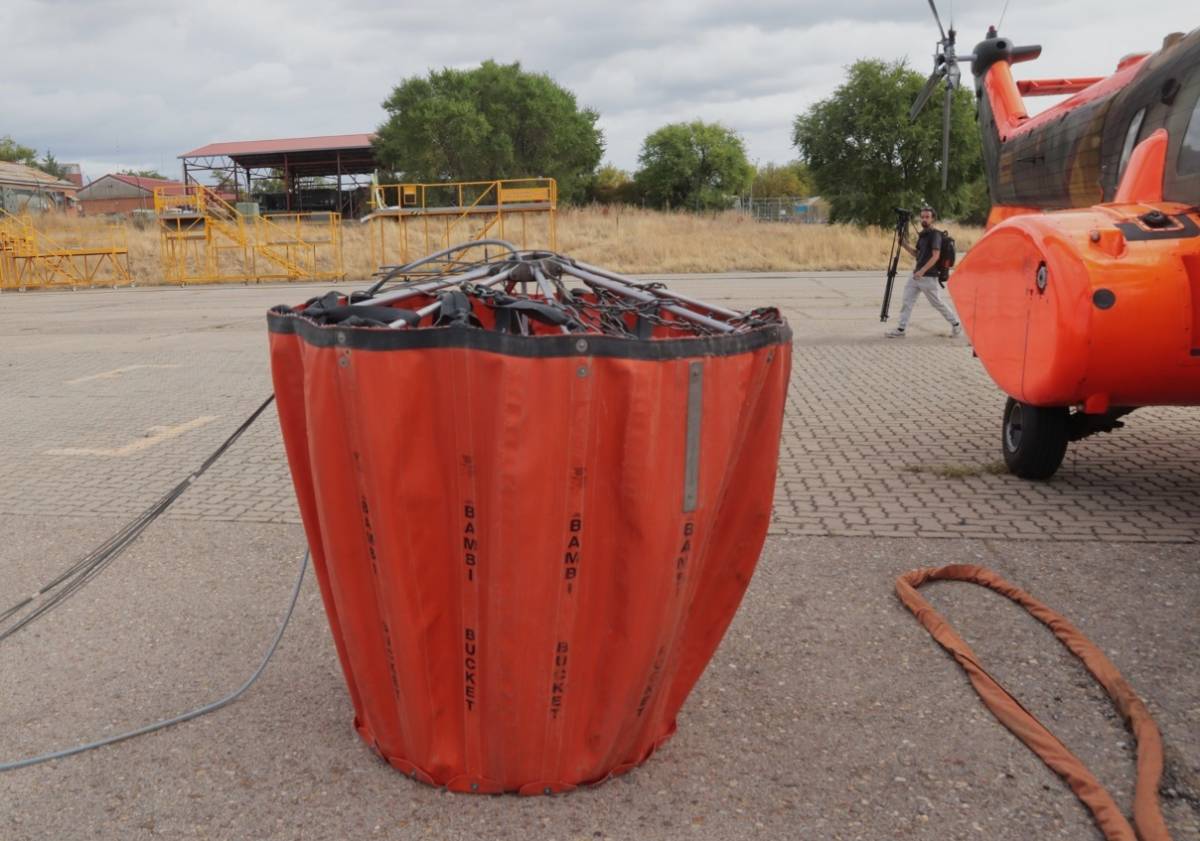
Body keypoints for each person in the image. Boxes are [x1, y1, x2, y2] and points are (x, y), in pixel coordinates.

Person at [885, 206, 961, 338]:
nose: (924, 219)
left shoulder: (935, 235)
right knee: (907, 301)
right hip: (916, 275)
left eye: (927, 217)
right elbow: (918, 254)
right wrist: (905, 245)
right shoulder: (923, 235)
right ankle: (901, 329)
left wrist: (922, 271)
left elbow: (935, 256)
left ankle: (956, 324)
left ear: (933, 219)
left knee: (937, 303)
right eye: (922, 217)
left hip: (928, 277)